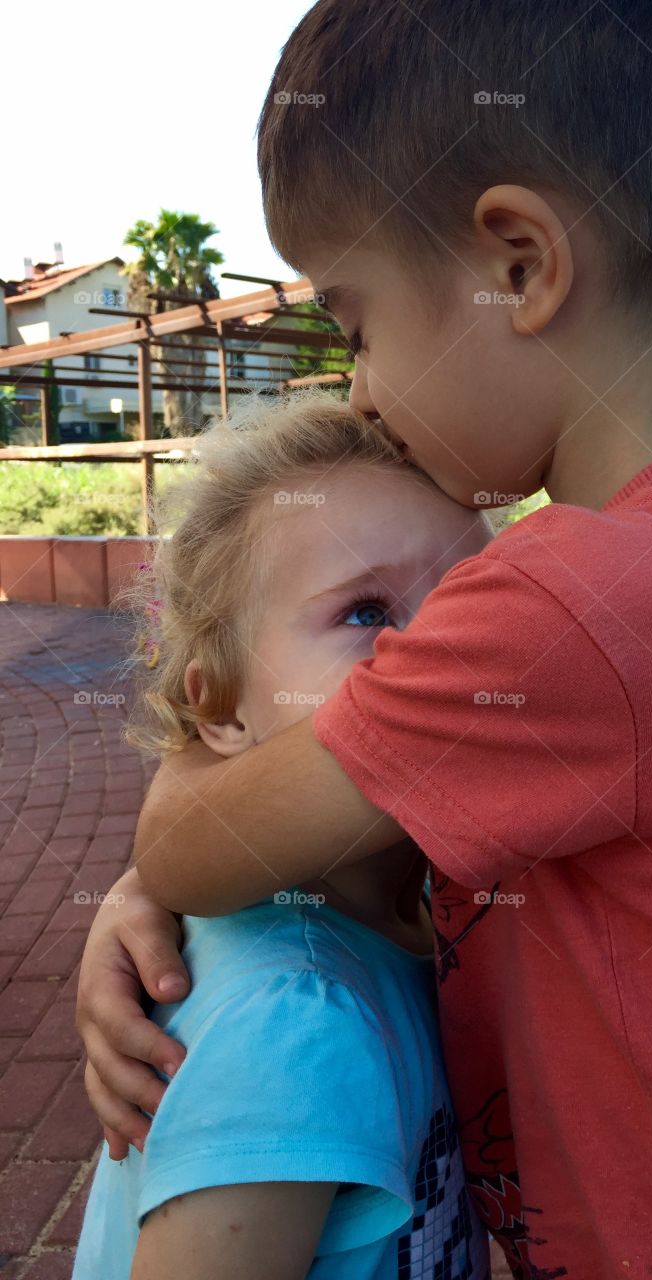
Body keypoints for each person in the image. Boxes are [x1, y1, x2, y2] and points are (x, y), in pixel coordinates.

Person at [76, 2, 652, 1276]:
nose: (363, 385)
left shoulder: (572, 598)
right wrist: (143, 891)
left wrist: (158, 872)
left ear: (521, 264)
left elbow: (197, 842)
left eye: (358, 319)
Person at [72, 393, 490, 1280]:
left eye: (472, 605)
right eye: (367, 612)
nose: (439, 654)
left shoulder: (423, 899)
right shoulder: (297, 1020)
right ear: (220, 710)